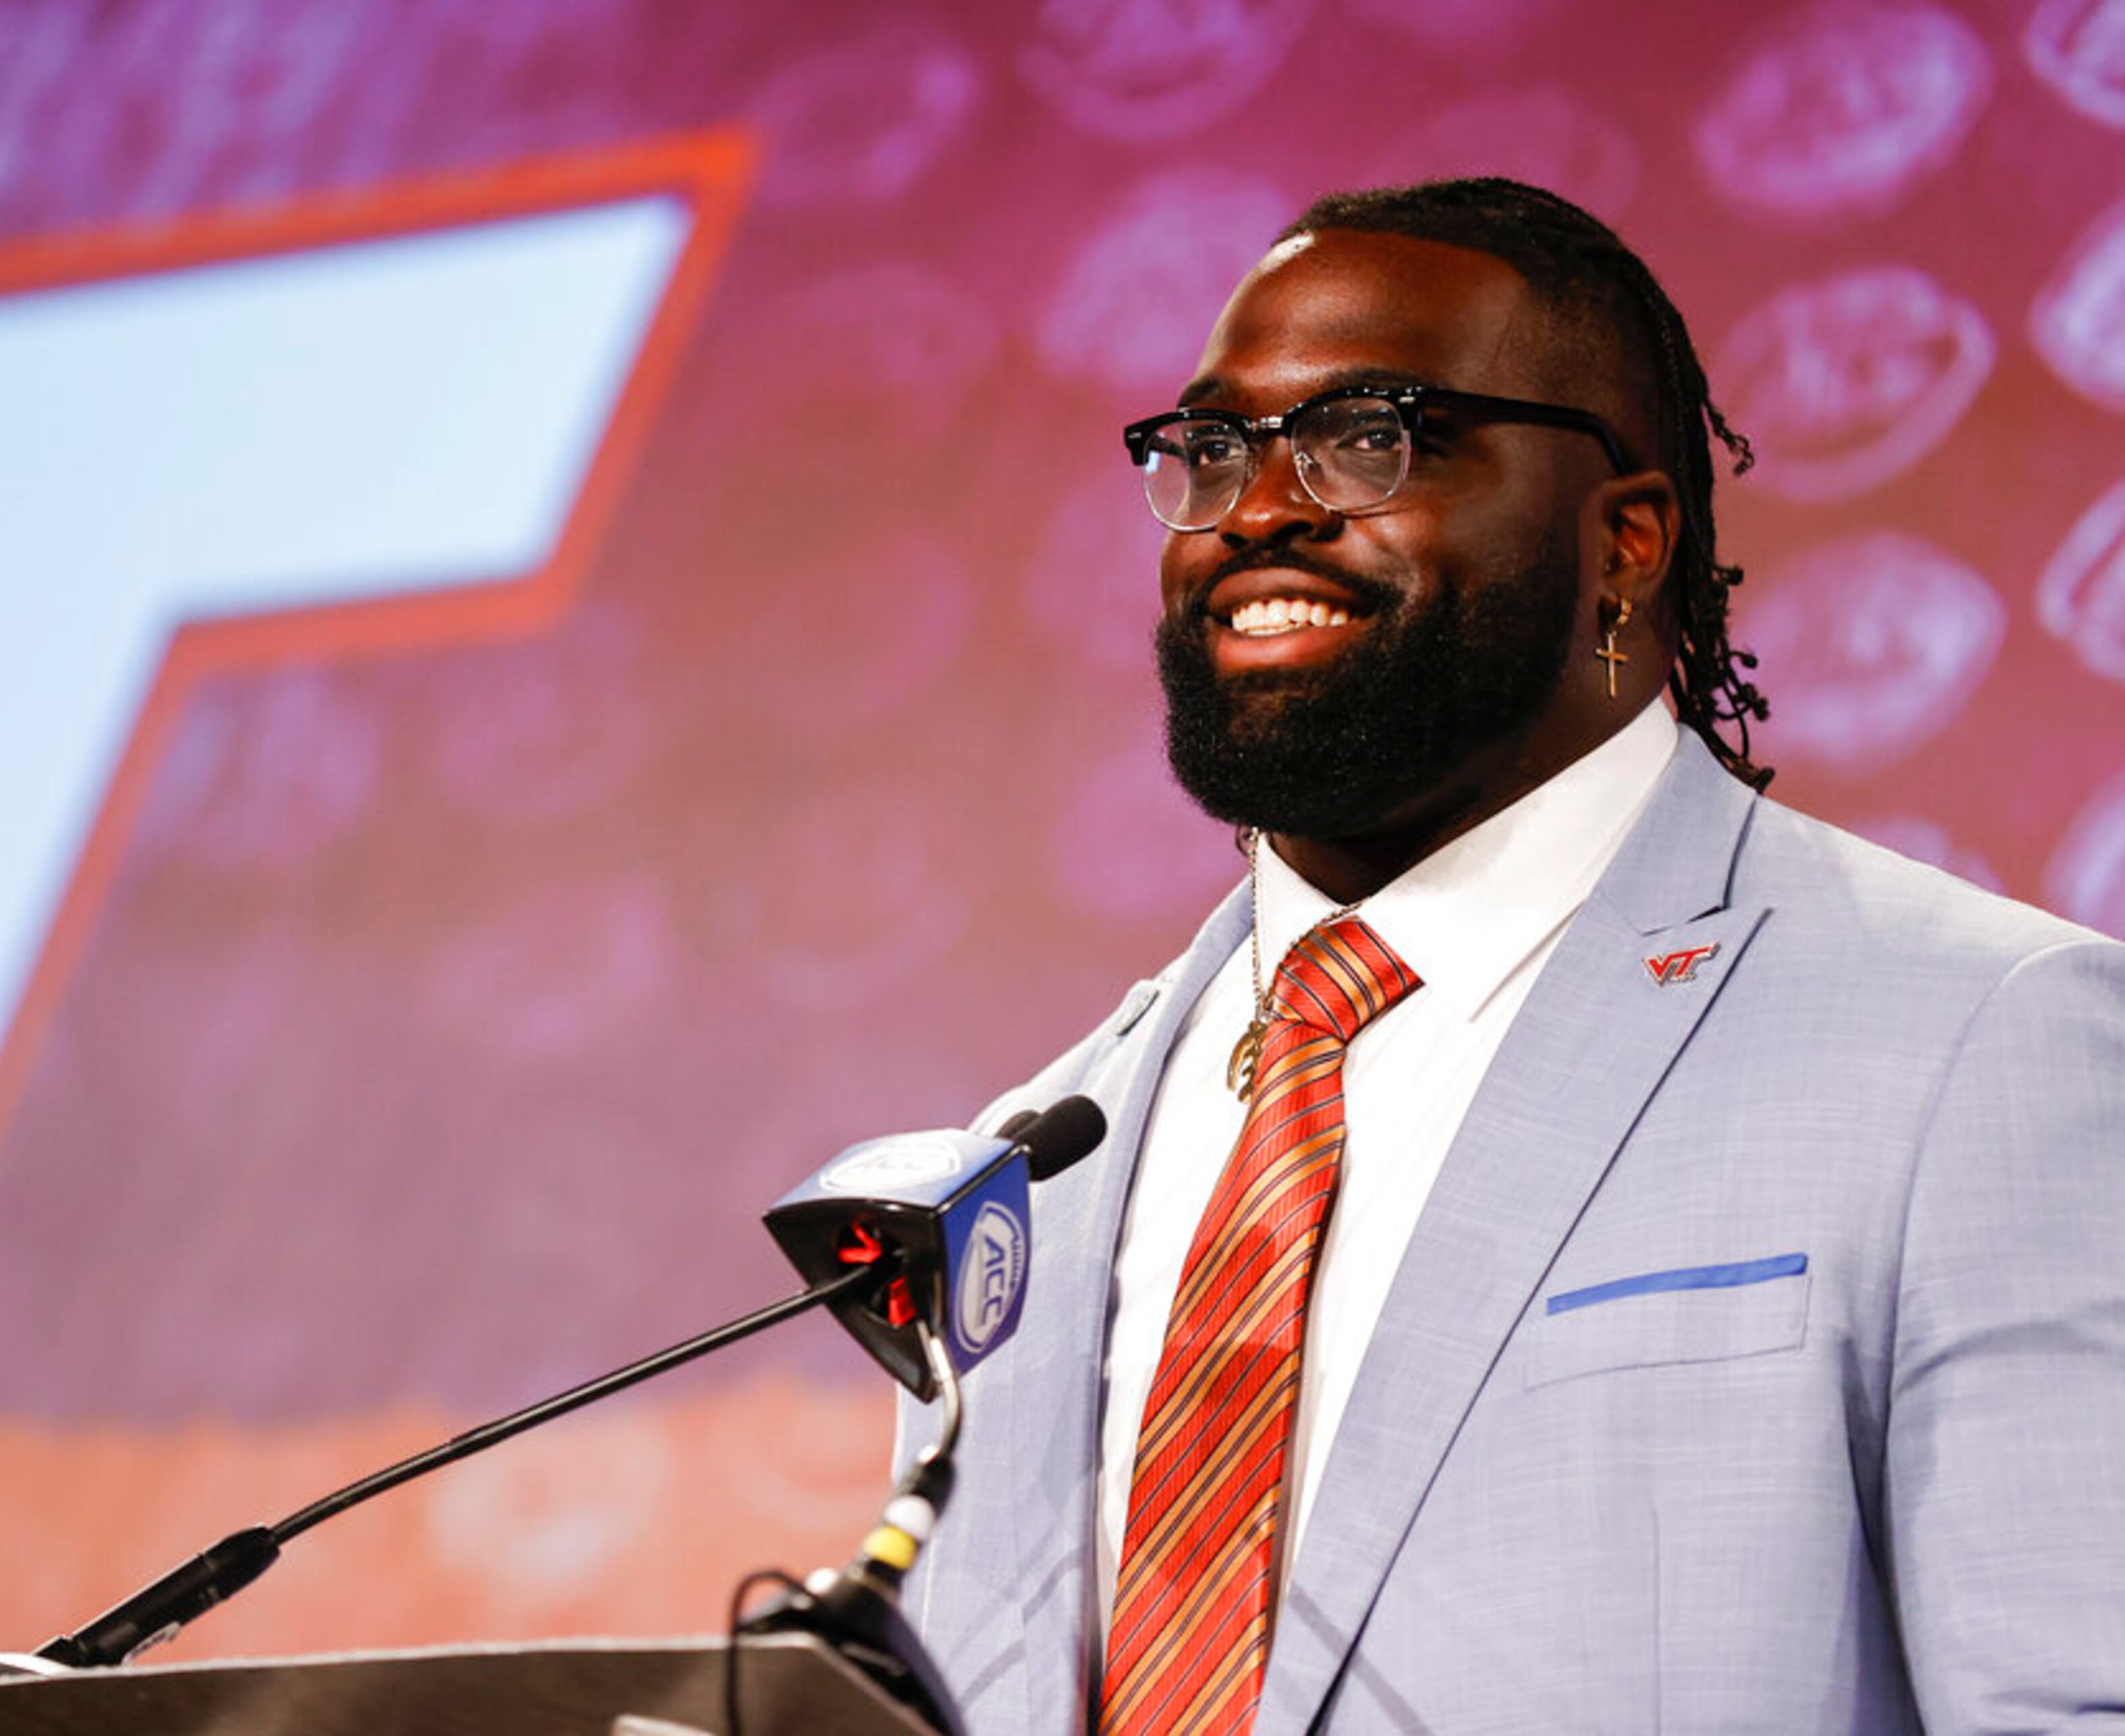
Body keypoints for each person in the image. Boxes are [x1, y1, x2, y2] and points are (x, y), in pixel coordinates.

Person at [894, 178, 2125, 1735]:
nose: (1259, 509)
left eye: (1368, 438)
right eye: (1212, 449)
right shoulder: (1026, 1172)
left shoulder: (1980, 1040)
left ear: (1627, 545)